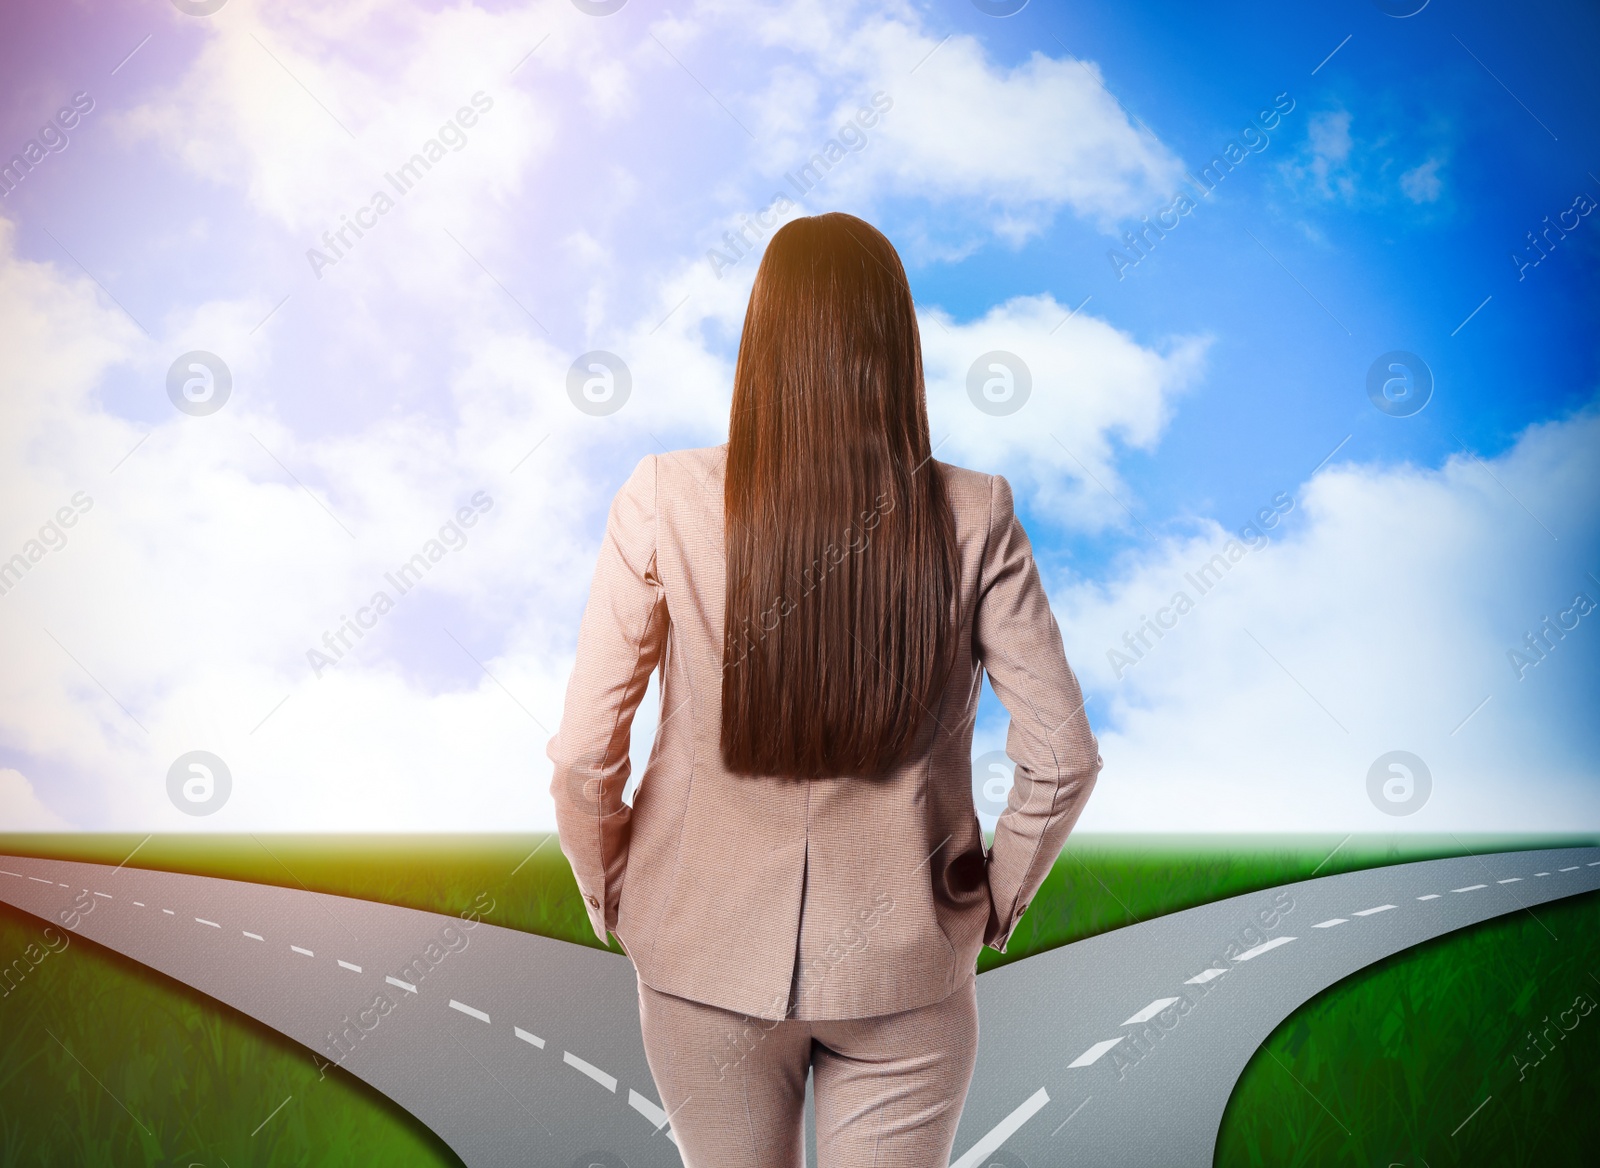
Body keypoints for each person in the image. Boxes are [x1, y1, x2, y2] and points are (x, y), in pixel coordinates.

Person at [549, 211, 1102, 1166]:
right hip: (907, 969)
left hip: (700, 957)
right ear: (899, 347)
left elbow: (583, 753)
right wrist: (984, 905)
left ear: (761, 341)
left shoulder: (665, 498)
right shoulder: (975, 512)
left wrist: (615, 894)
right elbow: (1060, 759)